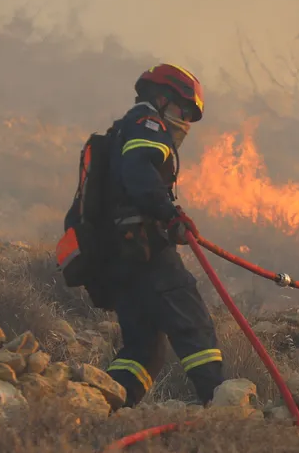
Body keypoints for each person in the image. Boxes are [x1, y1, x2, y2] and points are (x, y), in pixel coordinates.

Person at [64, 63, 224, 407]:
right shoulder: (147, 124)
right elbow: (139, 171)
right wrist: (171, 214)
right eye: (182, 110)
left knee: (143, 349)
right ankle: (225, 410)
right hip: (144, 251)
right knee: (193, 324)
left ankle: (105, 408)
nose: (184, 120)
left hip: (118, 261)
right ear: (162, 99)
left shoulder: (120, 131)